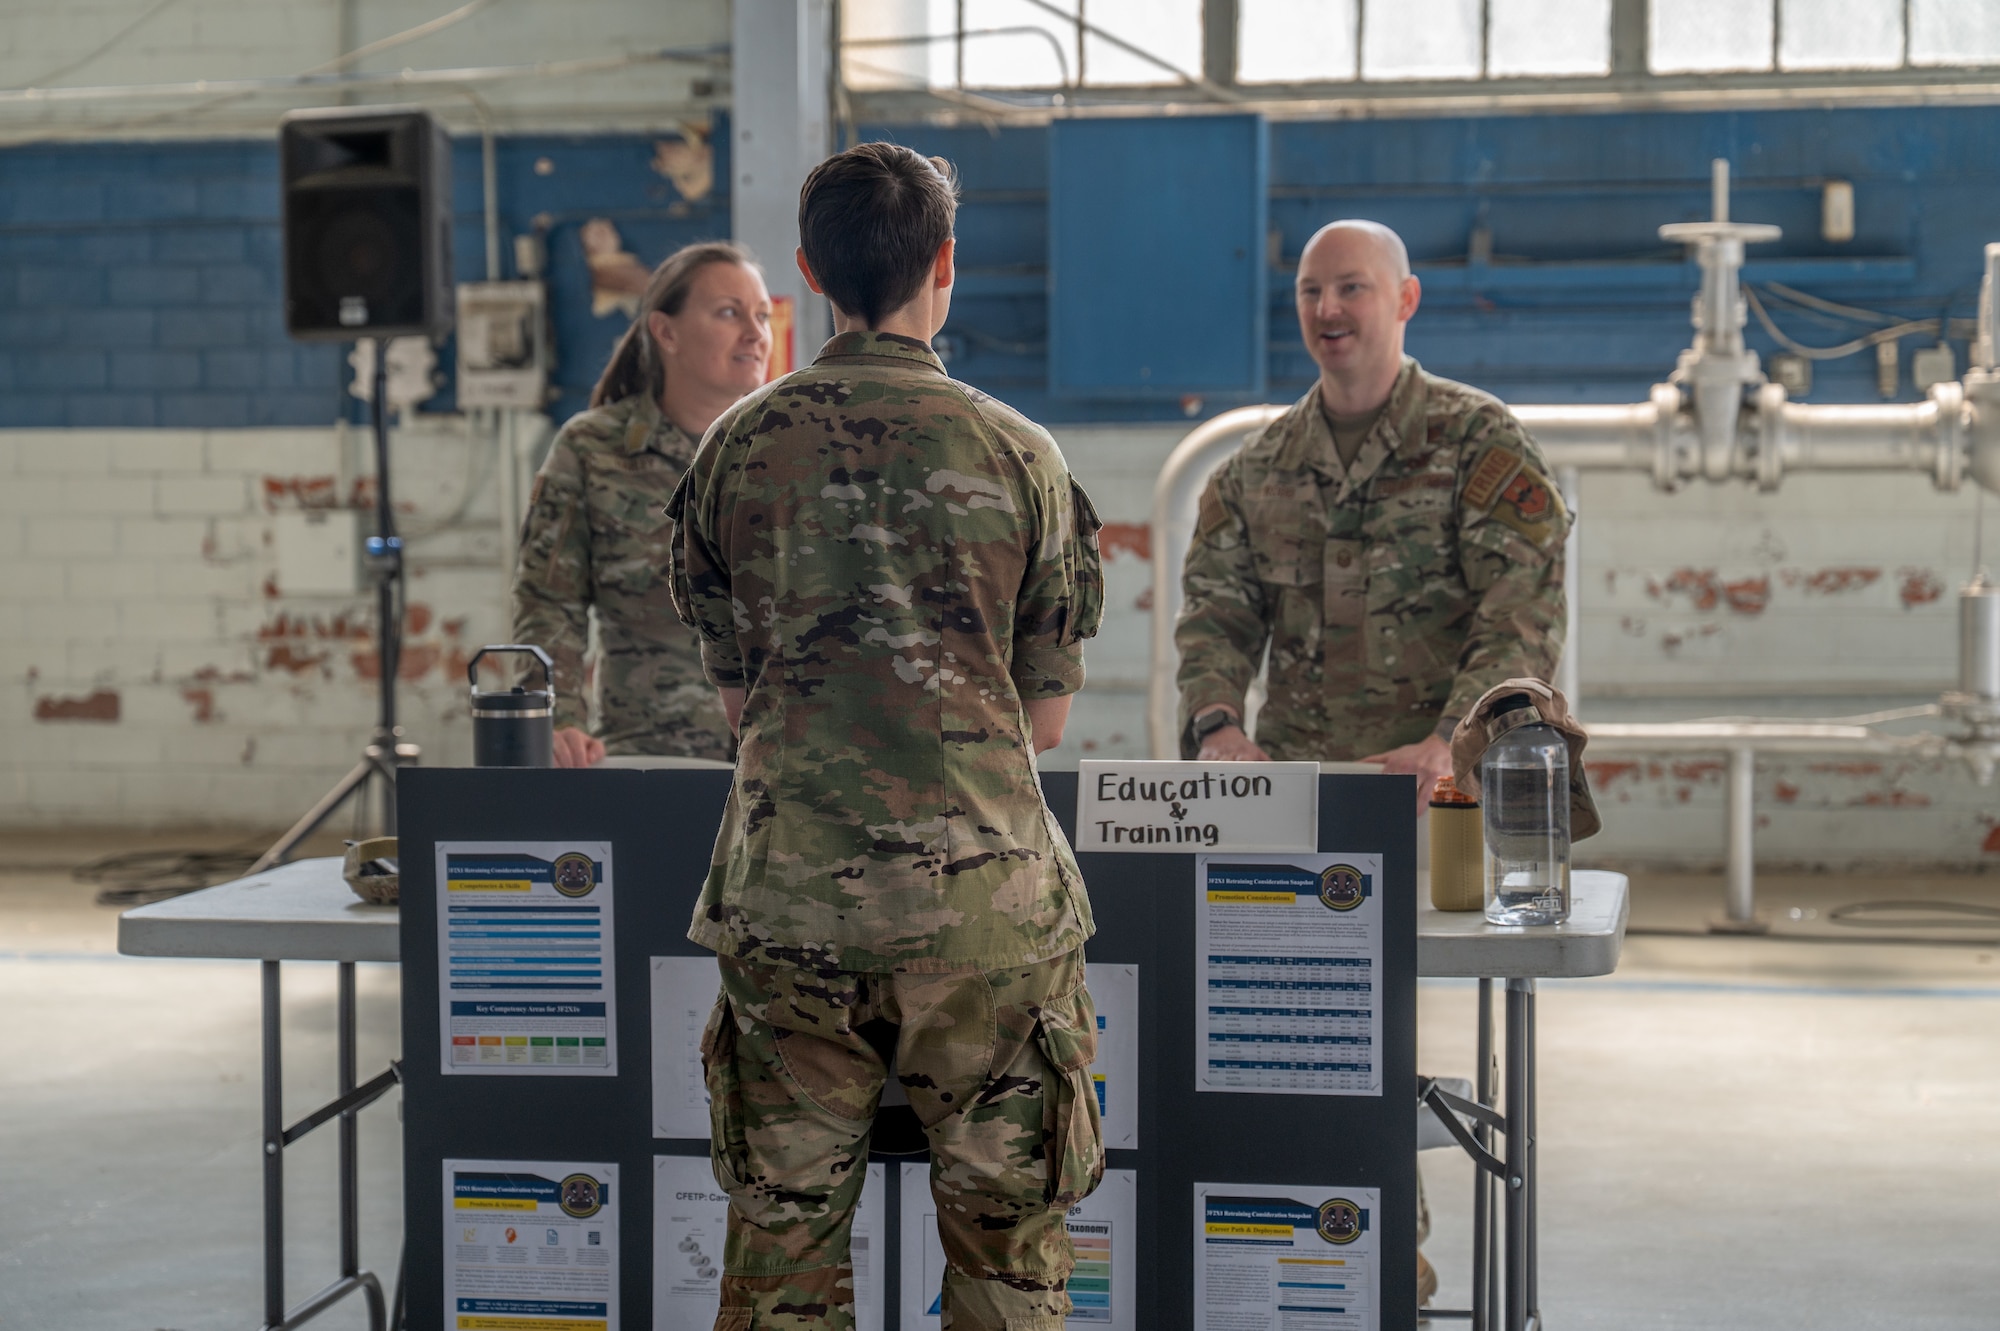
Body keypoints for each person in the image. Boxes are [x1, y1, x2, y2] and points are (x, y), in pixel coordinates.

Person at [670, 142, 1106, 1331]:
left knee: (780, 1256)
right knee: (1006, 1261)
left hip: (789, 910)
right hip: (984, 921)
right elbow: (1047, 715)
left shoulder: (730, 453)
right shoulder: (1021, 455)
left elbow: (734, 700)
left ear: (809, 274)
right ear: (946, 266)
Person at [1174, 218, 1571, 1307]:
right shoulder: (1254, 469)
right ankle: (1308, 1254)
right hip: (1297, 803)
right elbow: (1210, 616)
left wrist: (1451, 744)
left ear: (1405, 299)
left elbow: (1518, 626)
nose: (1327, 310)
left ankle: (1382, 1242)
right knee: (1284, 1033)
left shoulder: (1480, 449)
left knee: (1379, 1027)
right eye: (1310, 291)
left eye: (1350, 287)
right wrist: (1215, 727)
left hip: (1438, 802)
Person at [511, 241, 772, 768]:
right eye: (729, 312)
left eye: (762, 315)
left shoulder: (791, 444)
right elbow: (548, 601)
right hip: (650, 756)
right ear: (665, 331)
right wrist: (557, 717)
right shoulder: (593, 449)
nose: (755, 332)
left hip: (781, 762)